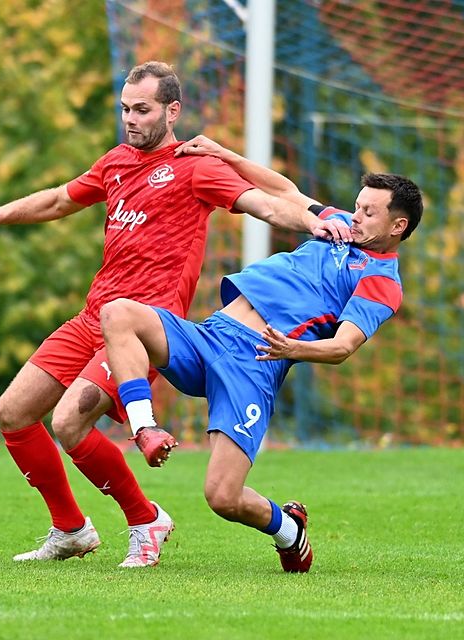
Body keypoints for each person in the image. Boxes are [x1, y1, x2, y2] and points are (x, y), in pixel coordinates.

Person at [0, 62, 348, 568]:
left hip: (142, 328)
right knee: (12, 413)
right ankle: (70, 529)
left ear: (172, 111)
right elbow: (59, 199)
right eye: (125, 109)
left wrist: (313, 223)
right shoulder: (116, 161)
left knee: (68, 421)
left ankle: (145, 520)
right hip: (93, 315)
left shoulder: (196, 168)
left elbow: (264, 205)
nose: (130, 120)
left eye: (142, 110)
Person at [100, 134, 423, 572]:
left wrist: (294, 349)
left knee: (222, 496)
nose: (356, 216)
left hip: (254, 365)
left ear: (397, 226)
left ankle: (289, 530)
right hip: (212, 335)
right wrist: (224, 154)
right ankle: (144, 428)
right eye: (357, 206)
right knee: (119, 312)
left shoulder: (381, 281)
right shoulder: (337, 225)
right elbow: (284, 189)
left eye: (369, 212)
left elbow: (344, 346)